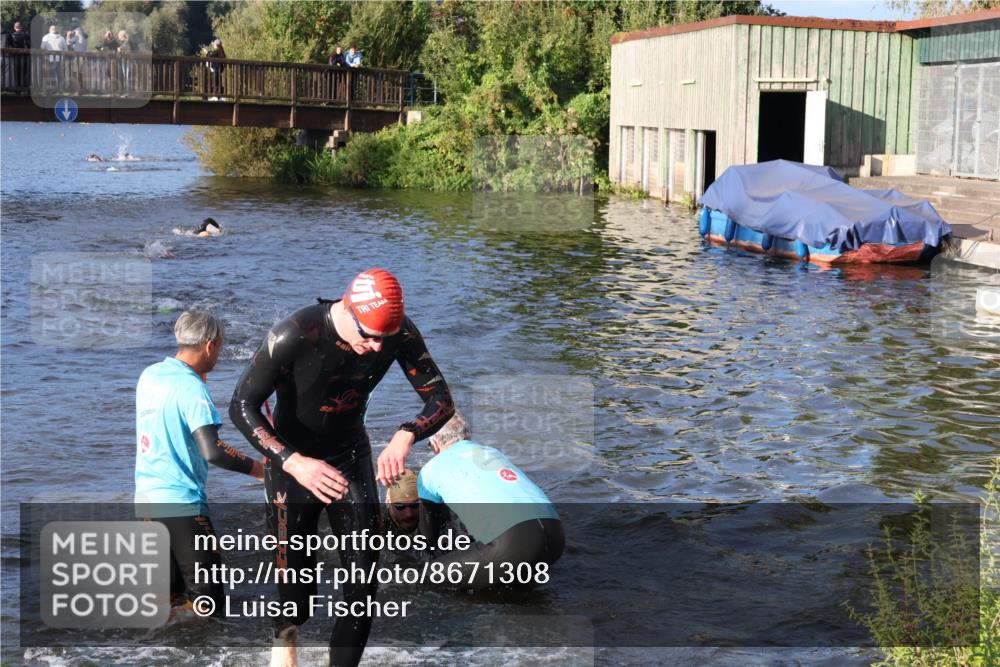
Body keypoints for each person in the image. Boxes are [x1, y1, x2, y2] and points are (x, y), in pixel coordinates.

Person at [229, 268, 454, 667]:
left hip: (350, 457)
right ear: (347, 310)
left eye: (384, 338)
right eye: (368, 336)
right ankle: (284, 644)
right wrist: (294, 462)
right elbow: (242, 405)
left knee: (362, 587)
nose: (374, 347)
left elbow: (441, 399)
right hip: (292, 467)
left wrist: (406, 434)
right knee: (299, 597)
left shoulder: (398, 333)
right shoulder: (295, 334)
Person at [135, 310, 264, 616]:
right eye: (218, 348)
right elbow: (213, 450)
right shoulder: (193, 389)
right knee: (208, 605)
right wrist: (261, 470)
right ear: (210, 345)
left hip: (147, 503)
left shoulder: (150, 375)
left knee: (165, 602)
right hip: (182, 506)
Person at [407, 409, 564, 592]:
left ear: (434, 444)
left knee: (424, 579)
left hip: (512, 544)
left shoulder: (429, 471)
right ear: (467, 435)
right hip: (556, 538)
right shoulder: (492, 453)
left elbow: (428, 539)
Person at [40, 25, 66, 92]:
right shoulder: (61, 38)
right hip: (59, 59)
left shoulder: (46, 37)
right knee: (59, 74)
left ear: (49, 30)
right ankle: (60, 89)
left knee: (51, 75)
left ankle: (52, 88)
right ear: (56, 30)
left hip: (49, 59)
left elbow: (42, 48)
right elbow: (65, 49)